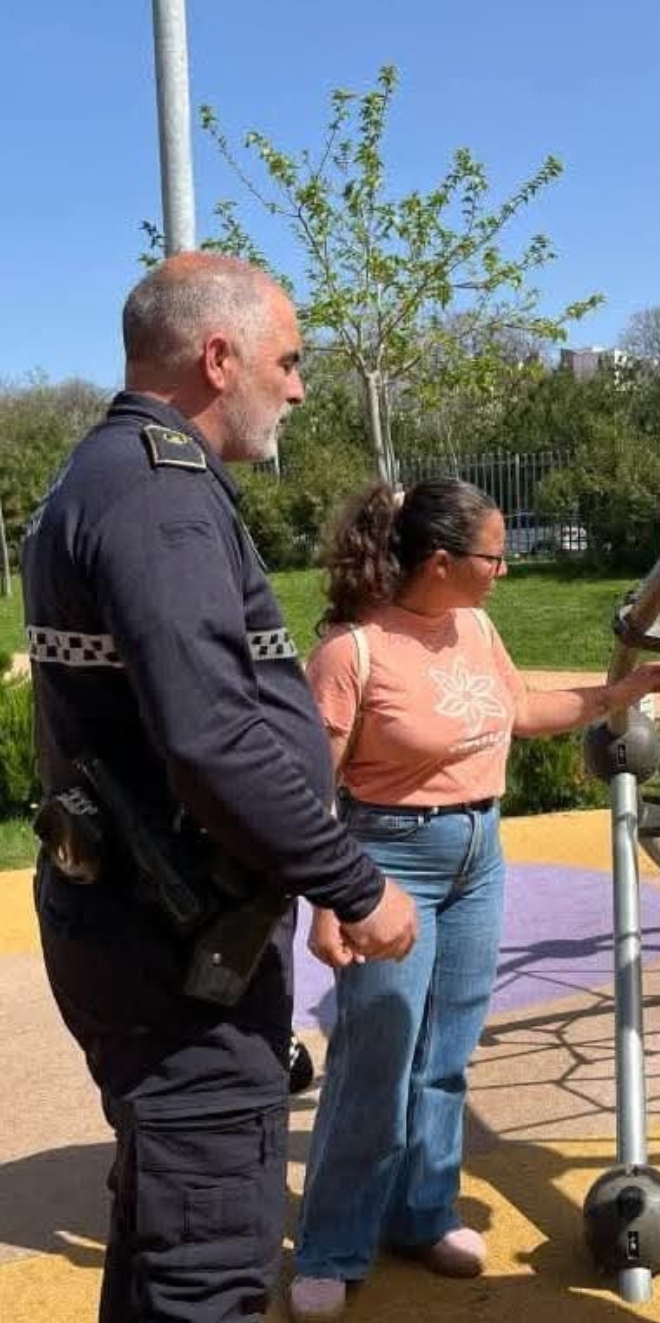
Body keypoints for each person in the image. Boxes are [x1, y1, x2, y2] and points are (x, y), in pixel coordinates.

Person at [22, 252, 418, 1323]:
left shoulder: (112, 472)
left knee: (164, 1235)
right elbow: (212, 735)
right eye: (287, 362)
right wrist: (351, 883)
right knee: (208, 1262)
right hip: (175, 948)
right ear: (217, 356)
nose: (299, 388)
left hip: (147, 923)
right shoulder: (159, 494)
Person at [289, 478, 660, 1322]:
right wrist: (325, 903)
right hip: (387, 860)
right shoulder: (352, 652)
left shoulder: (475, 626)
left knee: (447, 1053)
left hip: (478, 855)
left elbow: (521, 708)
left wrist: (621, 693)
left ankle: (423, 1213)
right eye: (493, 556)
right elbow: (313, 788)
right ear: (440, 561)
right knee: (374, 1061)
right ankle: (330, 1246)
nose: (505, 569)